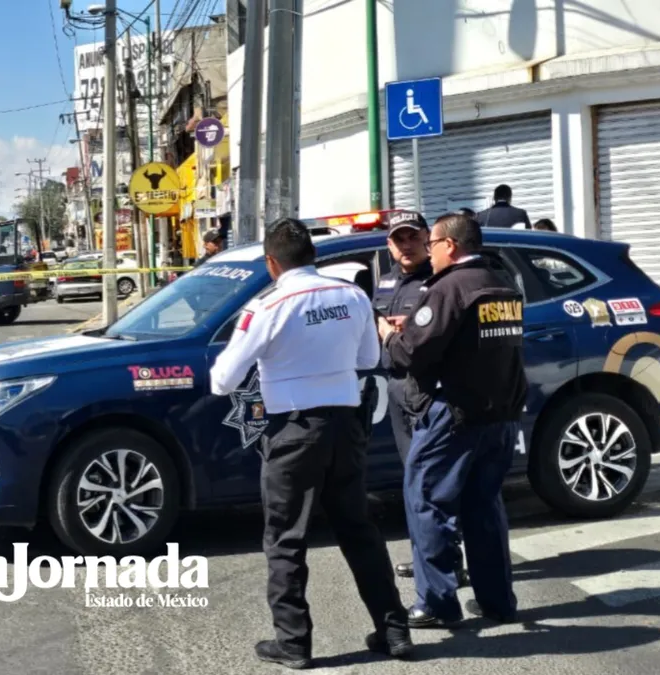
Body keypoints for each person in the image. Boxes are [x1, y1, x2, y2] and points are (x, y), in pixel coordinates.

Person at [211, 218, 413, 669]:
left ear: (271, 263)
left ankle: (294, 643)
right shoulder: (352, 296)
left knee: (286, 538)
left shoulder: (267, 308)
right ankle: (394, 629)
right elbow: (368, 359)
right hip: (346, 425)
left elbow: (223, 381)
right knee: (359, 530)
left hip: (294, 431)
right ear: (313, 257)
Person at [377, 213, 527, 628]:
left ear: (450, 246)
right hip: (500, 414)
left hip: (454, 414)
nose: (428, 251)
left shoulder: (448, 289)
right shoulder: (502, 283)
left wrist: (389, 335)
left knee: (425, 500)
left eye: (433, 244)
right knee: (484, 507)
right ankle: (498, 602)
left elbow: (409, 354)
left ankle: (437, 604)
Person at [371, 211, 469, 586]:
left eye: (413, 237)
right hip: (398, 386)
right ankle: (426, 555)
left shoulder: (441, 277)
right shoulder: (387, 279)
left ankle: (449, 560)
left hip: (431, 388)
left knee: (436, 480)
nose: (406, 245)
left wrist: (402, 329)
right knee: (413, 478)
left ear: (428, 239)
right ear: (389, 245)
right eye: (399, 239)